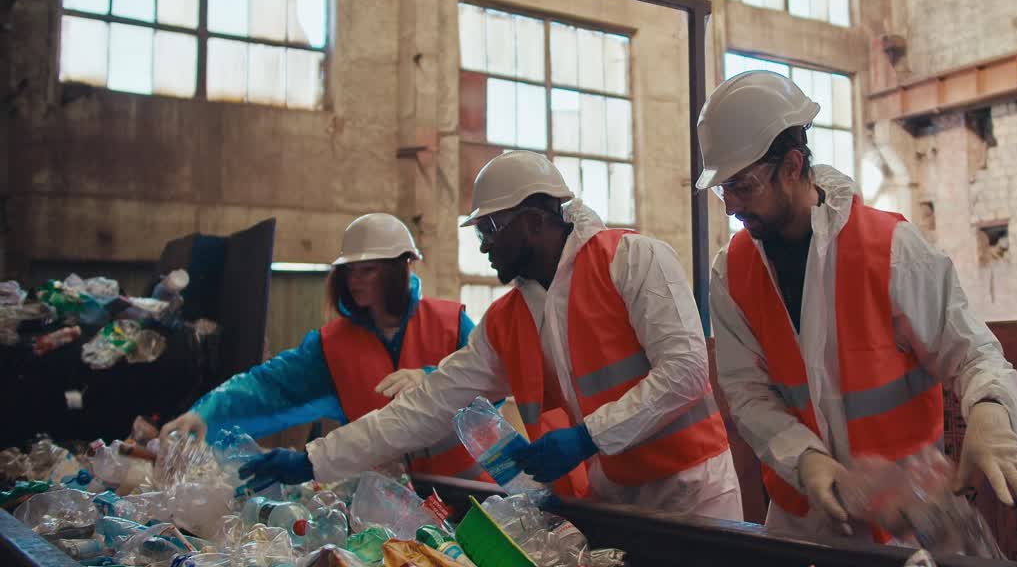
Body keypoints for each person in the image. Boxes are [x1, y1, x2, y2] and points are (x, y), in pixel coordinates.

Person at [239, 151, 744, 520]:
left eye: (489, 230)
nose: (483, 246)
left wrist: (588, 437)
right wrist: (310, 460)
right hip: (611, 499)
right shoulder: (507, 320)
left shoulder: (632, 259)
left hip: (692, 492)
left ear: (532, 220)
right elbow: (425, 408)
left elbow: (686, 370)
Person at [696, 70, 1017, 542]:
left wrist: (990, 413)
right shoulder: (732, 273)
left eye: (743, 186)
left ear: (792, 166)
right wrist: (807, 459)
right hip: (803, 521)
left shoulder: (892, 250)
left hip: (907, 523)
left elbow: (972, 354)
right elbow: (747, 392)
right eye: (724, 189)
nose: (730, 206)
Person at [160, 213, 488, 482]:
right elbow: (268, 386)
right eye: (349, 271)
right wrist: (204, 413)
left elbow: (487, 383)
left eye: (368, 270)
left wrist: (432, 378)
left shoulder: (451, 323)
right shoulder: (332, 346)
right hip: (389, 505)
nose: (354, 281)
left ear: (402, 266)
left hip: (466, 490)